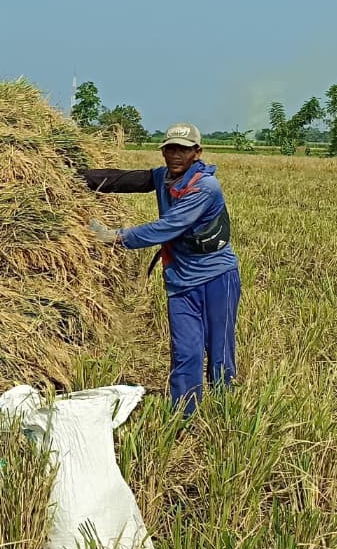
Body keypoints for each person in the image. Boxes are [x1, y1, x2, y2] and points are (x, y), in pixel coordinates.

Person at [83, 122, 240, 416]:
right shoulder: (163, 177)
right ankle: (184, 413)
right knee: (185, 350)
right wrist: (80, 178)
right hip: (181, 278)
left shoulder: (205, 187)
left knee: (219, 348)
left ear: (197, 152)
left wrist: (115, 237)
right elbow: (125, 180)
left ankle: (223, 410)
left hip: (217, 276)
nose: (175, 154)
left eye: (183, 149)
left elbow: (168, 227)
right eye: (170, 148)